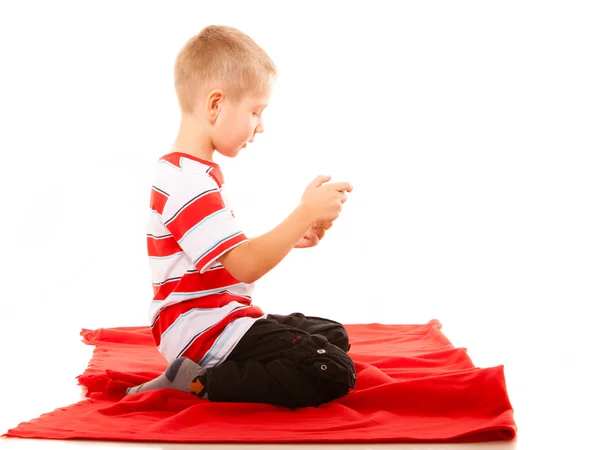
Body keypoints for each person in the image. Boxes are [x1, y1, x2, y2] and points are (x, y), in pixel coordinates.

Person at [125, 25, 356, 409]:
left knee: (333, 335)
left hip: (219, 320)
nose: (260, 126)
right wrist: (302, 215)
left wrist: (294, 235)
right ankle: (199, 382)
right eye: (255, 111)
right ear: (216, 103)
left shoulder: (191, 173)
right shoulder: (188, 182)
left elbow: (230, 257)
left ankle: (216, 370)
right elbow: (246, 265)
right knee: (332, 368)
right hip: (206, 332)